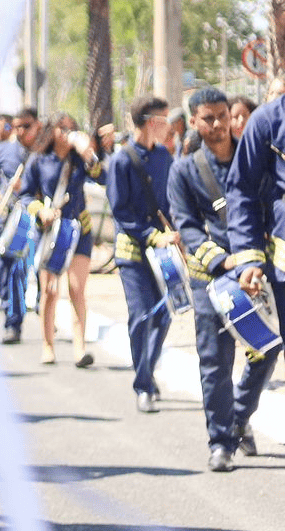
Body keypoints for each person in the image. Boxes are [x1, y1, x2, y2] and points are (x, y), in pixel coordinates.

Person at [170, 88, 276, 472]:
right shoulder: (184, 170)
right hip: (211, 281)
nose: (217, 124)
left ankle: (237, 417)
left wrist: (253, 259)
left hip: (255, 272)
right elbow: (187, 226)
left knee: (266, 348)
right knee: (215, 363)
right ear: (195, 122)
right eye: (208, 118)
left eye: (222, 116)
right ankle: (221, 442)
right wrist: (225, 261)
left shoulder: (253, 159)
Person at [104, 95, 176, 414]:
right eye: (165, 120)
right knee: (141, 315)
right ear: (150, 122)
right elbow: (120, 212)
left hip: (163, 247)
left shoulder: (164, 157)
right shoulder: (120, 161)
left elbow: (172, 200)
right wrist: (151, 235)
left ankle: (146, 370)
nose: (169, 127)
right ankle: (143, 384)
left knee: (165, 312)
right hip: (132, 249)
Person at [17, 114, 101, 367]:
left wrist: (87, 152)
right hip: (51, 232)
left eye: (71, 128)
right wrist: (40, 211)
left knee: (77, 289)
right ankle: (47, 345)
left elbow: (100, 175)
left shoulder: (78, 160)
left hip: (79, 231)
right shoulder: (39, 160)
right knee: (51, 291)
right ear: (52, 131)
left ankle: (79, 347)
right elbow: (24, 197)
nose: (67, 133)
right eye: (62, 128)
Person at [0, 108, 40, 345]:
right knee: (7, 270)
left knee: (28, 271)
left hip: (36, 220)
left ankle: (27, 317)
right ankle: (12, 318)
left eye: (27, 126)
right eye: (17, 126)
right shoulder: (2, 150)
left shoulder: (43, 153)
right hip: (8, 221)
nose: (21, 131)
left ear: (37, 125)